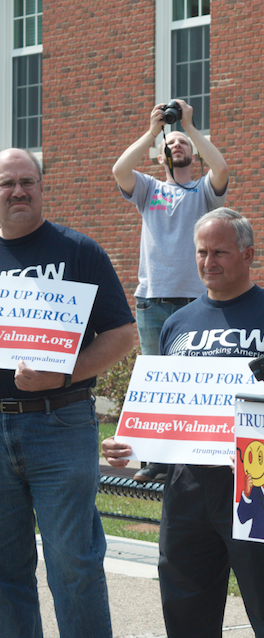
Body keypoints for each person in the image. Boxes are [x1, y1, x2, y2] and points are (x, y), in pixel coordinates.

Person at [102, 208, 264, 638]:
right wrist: (129, 442)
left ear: (248, 254)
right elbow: (164, 406)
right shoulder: (177, 324)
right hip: (187, 487)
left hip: (258, 484)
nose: (208, 261)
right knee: (185, 610)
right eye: (201, 252)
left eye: (219, 251)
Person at [0, 148, 136, 638]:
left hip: (60, 421)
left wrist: (63, 376)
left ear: (41, 187)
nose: (18, 191)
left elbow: (123, 335)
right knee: (5, 572)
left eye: (27, 182)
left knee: (73, 565)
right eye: (7, 183)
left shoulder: (77, 251)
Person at [113, 100, 229, 482]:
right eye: (171, 141)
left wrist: (191, 128)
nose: (177, 145)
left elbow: (222, 168)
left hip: (196, 301)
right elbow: (120, 169)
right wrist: (152, 131)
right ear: (161, 153)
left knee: (194, 380)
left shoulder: (203, 192)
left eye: (184, 144)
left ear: (193, 153)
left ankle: (195, 454)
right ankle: (155, 458)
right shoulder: (148, 189)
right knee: (154, 380)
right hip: (152, 300)